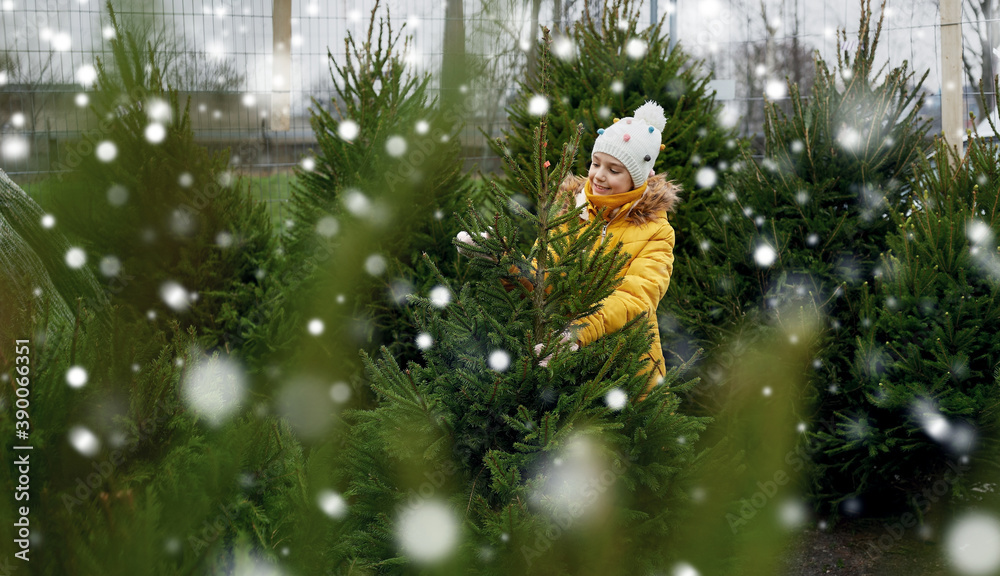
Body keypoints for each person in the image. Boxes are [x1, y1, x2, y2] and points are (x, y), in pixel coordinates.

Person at [459, 100, 680, 392]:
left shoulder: (657, 231)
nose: (599, 175)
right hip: (562, 364)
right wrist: (501, 258)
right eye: (596, 163)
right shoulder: (568, 210)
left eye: (614, 170)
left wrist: (580, 331)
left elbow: (637, 298)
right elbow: (542, 278)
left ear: (637, 178)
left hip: (626, 367)